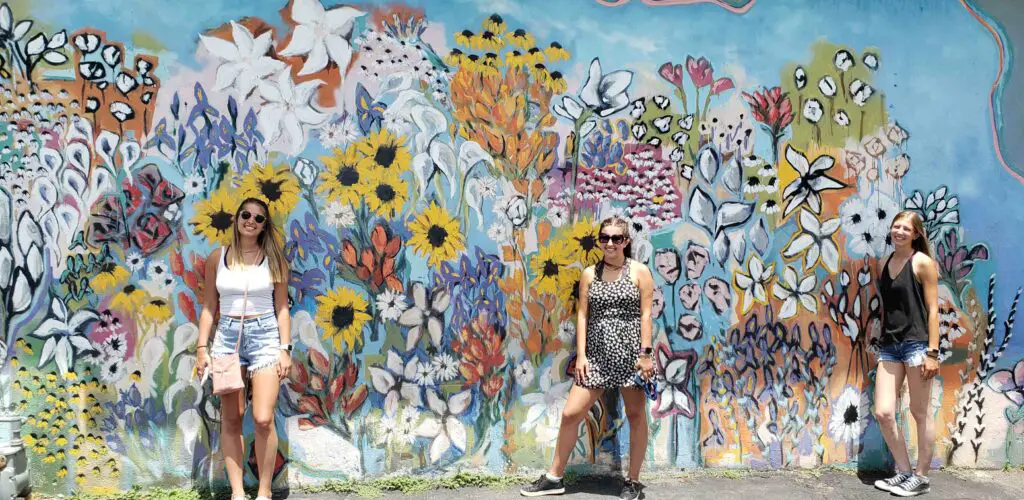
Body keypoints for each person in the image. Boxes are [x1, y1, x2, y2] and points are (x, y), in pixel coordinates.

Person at [521, 216, 656, 500]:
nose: (610, 243)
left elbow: (646, 314)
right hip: (596, 355)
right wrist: (581, 356)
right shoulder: (589, 274)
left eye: (616, 238)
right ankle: (555, 477)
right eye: (604, 237)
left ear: (626, 242)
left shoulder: (640, 272)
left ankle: (632, 481)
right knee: (571, 413)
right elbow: (583, 315)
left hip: (631, 355)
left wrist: (646, 354)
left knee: (635, 415)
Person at [195, 198, 292, 500]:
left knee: (263, 417)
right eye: (246, 215)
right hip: (227, 339)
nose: (251, 221)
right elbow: (210, 306)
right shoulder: (217, 258)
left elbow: (282, 308)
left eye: (259, 218)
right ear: (237, 218)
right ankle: (238, 492)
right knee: (233, 417)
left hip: (265, 337)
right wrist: (202, 347)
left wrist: (285, 348)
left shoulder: (274, 259)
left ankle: (263, 492)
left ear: (265, 226)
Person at [871, 210, 941, 497]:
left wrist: (933, 352)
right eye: (895, 226)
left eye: (906, 228)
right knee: (884, 412)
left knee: (919, 412)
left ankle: (921, 477)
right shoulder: (883, 262)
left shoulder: (922, 262)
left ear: (916, 234)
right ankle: (904, 471)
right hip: (890, 345)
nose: (899, 231)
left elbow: (934, 309)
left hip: (917, 345)